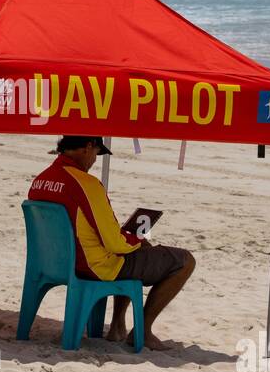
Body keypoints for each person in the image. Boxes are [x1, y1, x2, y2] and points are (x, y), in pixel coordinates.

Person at [27, 135, 195, 351]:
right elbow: (116, 243)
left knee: (136, 249)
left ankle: (117, 326)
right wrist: (136, 237)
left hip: (54, 263)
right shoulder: (86, 184)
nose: (95, 160)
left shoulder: (41, 180)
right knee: (184, 261)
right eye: (97, 154)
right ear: (88, 147)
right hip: (92, 267)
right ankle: (142, 331)